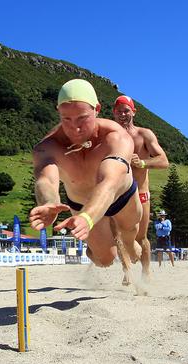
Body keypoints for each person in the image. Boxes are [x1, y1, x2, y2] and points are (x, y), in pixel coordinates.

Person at [29, 79, 143, 286]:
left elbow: (108, 183)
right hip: (81, 204)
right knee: (105, 260)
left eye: (82, 118)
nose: (75, 128)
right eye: (66, 119)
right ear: (58, 112)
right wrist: (48, 203)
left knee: (131, 242)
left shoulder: (117, 137)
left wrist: (88, 218)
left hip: (121, 196)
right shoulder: (47, 147)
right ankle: (95, 248)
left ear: (97, 109)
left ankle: (129, 244)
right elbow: (46, 179)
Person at [113, 95, 169, 279]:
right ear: (114, 113)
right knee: (118, 236)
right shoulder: (109, 136)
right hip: (118, 194)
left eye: (126, 110)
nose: (123, 114)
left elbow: (164, 161)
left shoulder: (144, 134)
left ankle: (146, 272)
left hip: (141, 191)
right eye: (119, 111)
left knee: (141, 237)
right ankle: (127, 270)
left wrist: (143, 163)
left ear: (133, 112)